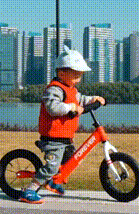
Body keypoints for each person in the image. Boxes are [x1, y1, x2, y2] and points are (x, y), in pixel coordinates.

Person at [19, 46, 105, 204]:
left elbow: (80, 99)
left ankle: (51, 181)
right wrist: (71, 108)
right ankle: (29, 190)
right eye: (75, 76)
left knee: (70, 161)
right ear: (62, 73)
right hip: (53, 138)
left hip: (66, 137)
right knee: (52, 166)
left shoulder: (71, 89)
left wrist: (94, 99)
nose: (78, 79)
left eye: (80, 76)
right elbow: (52, 107)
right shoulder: (54, 89)